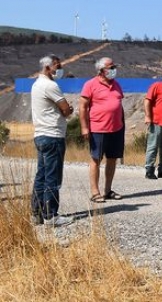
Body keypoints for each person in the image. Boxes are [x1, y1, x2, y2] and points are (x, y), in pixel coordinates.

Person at [30, 55, 75, 227]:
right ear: (48, 67)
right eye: (58, 66)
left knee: (41, 175)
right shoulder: (50, 85)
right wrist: (68, 109)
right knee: (52, 177)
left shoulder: (36, 85)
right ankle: (51, 215)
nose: (60, 69)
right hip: (53, 135)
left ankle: (37, 213)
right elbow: (65, 109)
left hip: (40, 134)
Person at [79, 57, 125, 203]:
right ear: (101, 70)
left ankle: (107, 190)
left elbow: (119, 104)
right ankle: (95, 192)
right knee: (96, 159)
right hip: (98, 128)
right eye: (110, 67)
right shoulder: (90, 85)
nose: (113, 70)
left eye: (114, 66)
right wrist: (84, 127)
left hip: (116, 129)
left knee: (112, 159)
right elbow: (83, 107)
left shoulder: (116, 84)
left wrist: (122, 123)